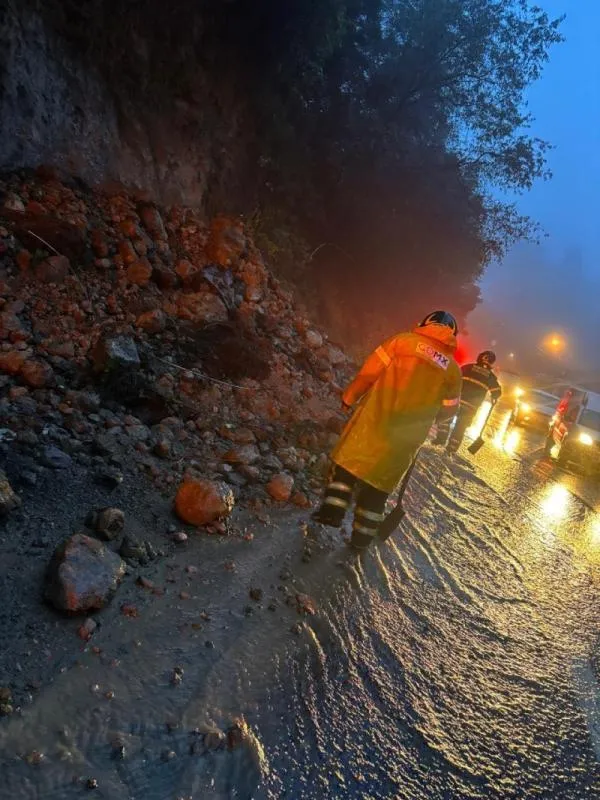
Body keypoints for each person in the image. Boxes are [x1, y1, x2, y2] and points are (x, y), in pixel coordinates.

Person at [312, 311, 462, 550]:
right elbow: (450, 410)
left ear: (425, 323)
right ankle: (361, 541)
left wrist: (350, 397)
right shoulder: (452, 370)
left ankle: (332, 512)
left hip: (375, 420)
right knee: (378, 488)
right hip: (407, 437)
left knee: (348, 466)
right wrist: (427, 419)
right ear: (453, 334)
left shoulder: (401, 342)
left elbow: (369, 373)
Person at [434, 350, 502, 453]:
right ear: (492, 362)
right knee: (460, 427)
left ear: (480, 357)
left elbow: (454, 378)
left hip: (457, 400)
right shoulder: (490, 377)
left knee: (446, 419)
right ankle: (451, 449)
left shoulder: (467, 367)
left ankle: (440, 440)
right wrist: (495, 396)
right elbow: (497, 392)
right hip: (471, 406)